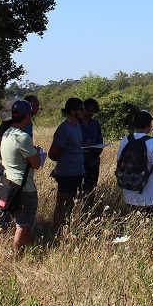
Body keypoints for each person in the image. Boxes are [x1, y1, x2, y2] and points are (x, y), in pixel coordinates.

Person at [0, 99, 43, 256]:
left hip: (10, 184)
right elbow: (36, 164)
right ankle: (16, 257)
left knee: (22, 223)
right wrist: (36, 152)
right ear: (27, 117)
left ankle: (27, 251)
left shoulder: (7, 134)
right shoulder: (22, 137)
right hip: (25, 188)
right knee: (22, 225)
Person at [48, 98, 85, 232]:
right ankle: (57, 230)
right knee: (61, 204)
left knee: (73, 203)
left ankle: (67, 228)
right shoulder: (64, 129)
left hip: (77, 171)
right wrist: (64, 161)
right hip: (66, 173)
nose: (84, 112)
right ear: (72, 111)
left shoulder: (77, 126)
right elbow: (52, 154)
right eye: (81, 109)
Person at [117, 109, 153, 210]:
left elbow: (119, 163)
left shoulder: (126, 140)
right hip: (149, 194)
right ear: (149, 125)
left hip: (129, 193)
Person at [79, 98, 104, 197]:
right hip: (79, 162)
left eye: (93, 111)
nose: (90, 113)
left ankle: (89, 208)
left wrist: (97, 148)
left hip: (93, 161)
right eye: (89, 110)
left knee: (91, 189)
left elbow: (100, 141)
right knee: (79, 189)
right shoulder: (76, 123)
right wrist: (83, 145)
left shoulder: (95, 124)